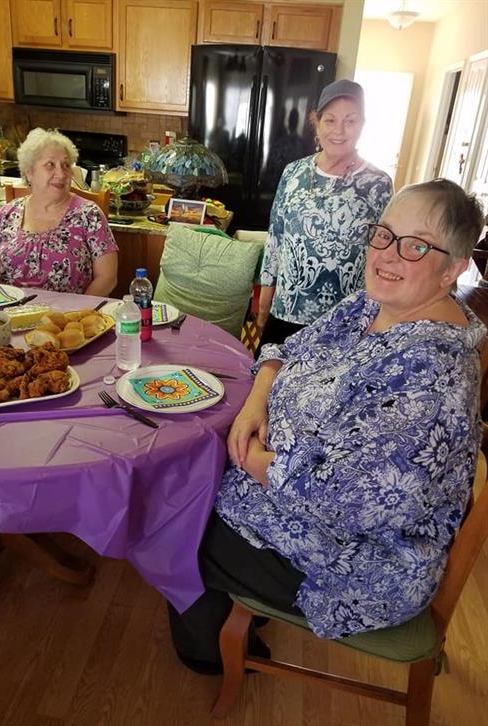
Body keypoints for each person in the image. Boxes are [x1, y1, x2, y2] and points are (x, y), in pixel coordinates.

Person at [168, 179, 486, 674]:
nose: (387, 254)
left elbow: (347, 500)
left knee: (176, 519)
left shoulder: (432, 375)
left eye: (416, 245)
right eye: (383, 234)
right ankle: (236, 616)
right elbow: (285, 349)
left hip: (356, 562)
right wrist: (256, 404)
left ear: (454, 268)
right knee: (184, 476)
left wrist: (248, 457)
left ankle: (211, 653)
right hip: (284, 489)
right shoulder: (373, 305)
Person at [257, 79, 393, 349]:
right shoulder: (293, 173)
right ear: (316, 123)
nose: (339, 131)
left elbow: (383, 254)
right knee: (267, 384)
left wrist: (379, 316)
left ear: (363, 125)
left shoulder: (379, 184)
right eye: (330, 120)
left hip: (344, 323)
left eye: (351, 121)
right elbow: (275, 240)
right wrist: (264, 302)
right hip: (285, 313)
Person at [0, 128, 118, 296]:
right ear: (29, 172)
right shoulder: (6, 214)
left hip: (66, 317)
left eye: (66, 165)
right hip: (8, 313)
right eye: (50, 165)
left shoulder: (89, 215)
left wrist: (78, 313)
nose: (61, 174)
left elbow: (107, 277)